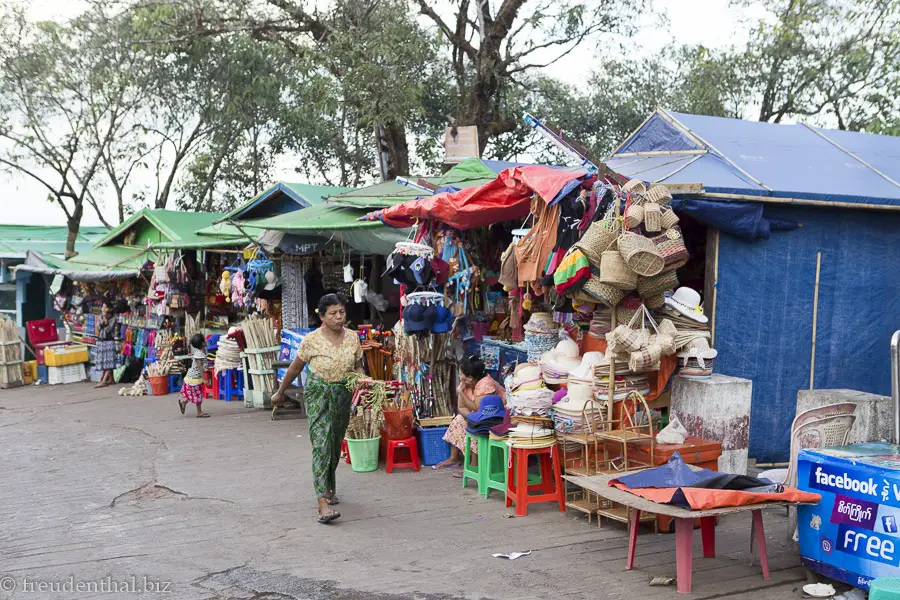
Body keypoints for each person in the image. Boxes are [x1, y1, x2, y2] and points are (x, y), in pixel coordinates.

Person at [272, 293, 364, 524]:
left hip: (342, 393)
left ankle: (329, 487)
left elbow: (358, 365)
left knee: (334, 444)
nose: (339, 317)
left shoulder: (353, 338)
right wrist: (280, 392)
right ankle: (322, 503)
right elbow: (294, 369)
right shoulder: (311, 340)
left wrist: (363, 380)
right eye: (333, 313)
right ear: (322, 316)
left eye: (342, 312)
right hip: (318, 394)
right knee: (321, 444)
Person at [433, 355, 507, 472]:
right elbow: (461, 407)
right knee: (459, 420)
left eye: (460, 374)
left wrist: (461, 393)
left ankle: (474, 465)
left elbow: (479, 409)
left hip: (497, 419)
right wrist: (469, 417)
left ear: (470, 378)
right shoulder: (467, 384)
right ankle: (454, 458)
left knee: (474, 426)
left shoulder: (485, 384)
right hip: (480, 416)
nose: (459, 376)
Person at [178, 333, 210, 418]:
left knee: (194, 394)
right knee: (198, 395)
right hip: (194, 378)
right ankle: (199, 412)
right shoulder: (199, 354)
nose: (206, 341)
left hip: (195, 377)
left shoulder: (203, 350)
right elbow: (200, 367)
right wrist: (205, 379)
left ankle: (183, 402)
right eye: (204, 339)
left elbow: (203, 365)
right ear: (203, 343)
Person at [94, 301, 118, 388]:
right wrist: (102, 322)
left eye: (106, 307)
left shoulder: (114, 318)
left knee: (109, 361)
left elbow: (109, 329)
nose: (103, 309)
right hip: (101, 340)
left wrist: (106, 321)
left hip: (109, 341)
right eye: (103, 307)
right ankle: (112, 379)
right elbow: (98, 328)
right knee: (105, 360)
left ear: (110, 309)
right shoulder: (100, 316)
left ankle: (104, 381)